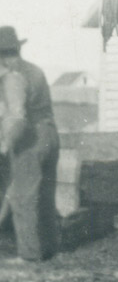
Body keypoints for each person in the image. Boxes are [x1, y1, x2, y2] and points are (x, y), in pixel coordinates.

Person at [0, 27, 60, 261]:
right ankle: (49, 249)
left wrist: (6, 144)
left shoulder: (12, 77)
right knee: (45, 196)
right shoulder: (35, 70)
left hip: (30, 139)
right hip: (50, 135)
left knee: (22, 197)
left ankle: (30, 255)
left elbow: (17, 117)